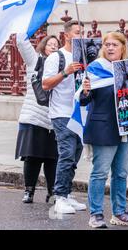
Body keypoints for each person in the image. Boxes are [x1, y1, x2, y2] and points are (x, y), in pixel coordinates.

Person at [81, 32, 128, 228]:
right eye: (107, 44)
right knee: (100, 172)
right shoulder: (95, 68)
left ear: (123, 47)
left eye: (114, 45)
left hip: (127, 127)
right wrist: (85, 90)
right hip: (103, 127)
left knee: (121, 173)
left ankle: (120, 213)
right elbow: (83, 101)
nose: (110, 48)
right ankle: (96, 214)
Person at [42, 20, 87, 214]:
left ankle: (67, 194)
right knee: (67, 153)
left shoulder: (86, 56)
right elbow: (45, 84)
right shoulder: (56, 57)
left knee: (75, 154)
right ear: (66, 35)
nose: (81, 36)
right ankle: (59, 196)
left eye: (83, 33)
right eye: (78, 32)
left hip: (80, 113)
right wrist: (65, 72)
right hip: (61, 113)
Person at [15, 35, 60, 203]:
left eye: (56, 44)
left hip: (54, 118)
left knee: (52, 158)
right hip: (33, 117)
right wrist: (26, 24)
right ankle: (29, 191)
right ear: (43, 46)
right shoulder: (35, 61)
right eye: (50, 44)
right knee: (32, 157)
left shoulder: (60, 64)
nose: (53, 47)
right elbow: (21, 42)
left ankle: (53, 191)